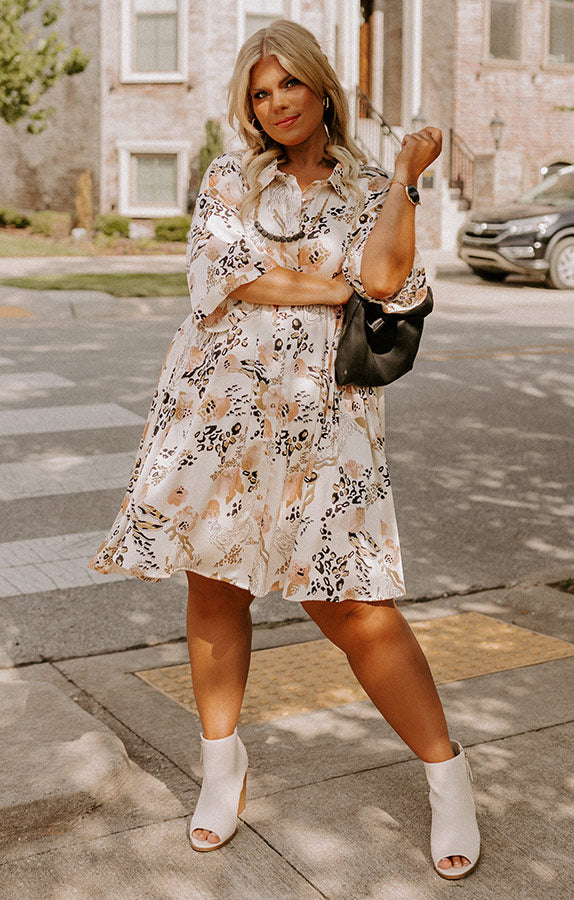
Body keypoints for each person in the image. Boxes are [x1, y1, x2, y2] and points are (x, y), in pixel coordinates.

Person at [89, 19, 480, 880]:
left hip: (324, 421)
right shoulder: (230, 175)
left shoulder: (375, 183)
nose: (276, 105)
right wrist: (333, 285)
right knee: (216, 586)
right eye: (261, 94)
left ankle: (448, 774)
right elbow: (220, 277)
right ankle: (221, 770)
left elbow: (389, 283)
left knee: (351, 608)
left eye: (289, 86)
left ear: (320, 86)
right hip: (217, 409)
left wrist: (407, 182)